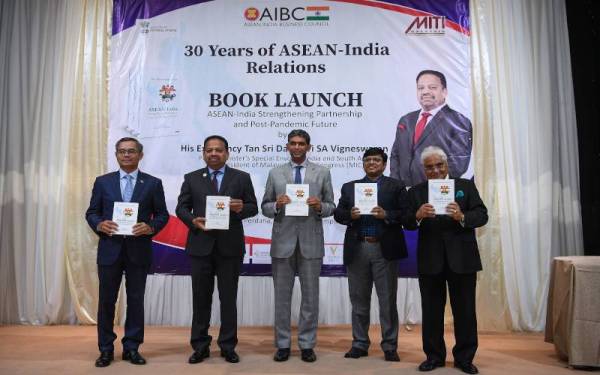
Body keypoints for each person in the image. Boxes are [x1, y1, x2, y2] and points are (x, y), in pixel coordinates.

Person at [85, 137, 169, 367]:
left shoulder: (152, 183)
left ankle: (132, 348)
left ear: (140, 155)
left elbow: (162, 215)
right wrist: (99, 224)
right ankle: (105, 349)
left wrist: (150, 227)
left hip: (138, 251)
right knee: (106, 302)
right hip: (110, 250)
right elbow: (91, 212)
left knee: (135, 300)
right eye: (122, 151)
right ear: (116, 154)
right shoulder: (103, 182)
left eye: (131, 151)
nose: (126, 155)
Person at [404, 146, 488, 374]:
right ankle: (434, 356)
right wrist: (417, 216)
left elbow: (482, 215)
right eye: (430, 167)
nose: (435, 170)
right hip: (430, 260)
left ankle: (464, 358)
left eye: (439, 165)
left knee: (465, 312)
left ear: (446, 165)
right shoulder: (416, 192)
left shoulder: (465, 187)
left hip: (462, 259)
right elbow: (407, 222)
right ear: (424, 169)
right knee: (431, 312)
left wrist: (462, 216)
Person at [176, 135, 258, 364]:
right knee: (201, 298)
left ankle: (228, 346)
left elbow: (253, 207)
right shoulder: (192, 178)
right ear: (203, 153)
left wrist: (242, 208)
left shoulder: (241, 178)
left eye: (218, 150)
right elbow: (181, 207)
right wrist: (193, 221)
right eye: (209, 150)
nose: (214, 153)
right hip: (201, 245)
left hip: (229, 247)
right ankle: (200, 345)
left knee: (228, 298)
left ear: (227, 153)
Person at [261, 129, 335, 363]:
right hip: (283, 243)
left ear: (308, 147)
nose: (297, 147)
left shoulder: (322, 172)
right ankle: (282, 344)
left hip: (311, 243)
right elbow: (264, 206)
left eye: (301, 143)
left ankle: (306, 344)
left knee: (310, 298)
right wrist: (277, 205)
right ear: (287, 146)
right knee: (282, 298)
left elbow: (332, 205)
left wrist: (319, 206)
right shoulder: (275, 173)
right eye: (293, 143)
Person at [333, 147, 409, 362]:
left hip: (384, 250)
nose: (372, 163)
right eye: (368, 160)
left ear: (384, 164)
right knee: (358, 300)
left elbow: (406, 214)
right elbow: (339, 214)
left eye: (376, 160)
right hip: (358, 249)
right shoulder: (350, 188)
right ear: (363, 164)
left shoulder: (396, 186)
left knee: (387, 300)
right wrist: (350, 214)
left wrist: (387, 214)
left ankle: (390, 346)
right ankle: (359, 343)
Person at [390, 70, 472, 187]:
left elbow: (458, 165)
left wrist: (426, 188)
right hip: (403, 193)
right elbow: (395, 155)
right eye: (421, 88)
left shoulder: (459, 122)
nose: (425, 92)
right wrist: (396, 184)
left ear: (444, 92)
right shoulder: (406, 120)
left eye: (432, 87)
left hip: (435, 193)